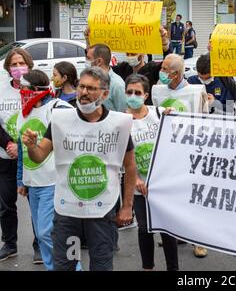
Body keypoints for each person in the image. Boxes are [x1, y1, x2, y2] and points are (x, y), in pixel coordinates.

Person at [22, 66, 137, 271]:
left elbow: (130, 166)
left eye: (91, 89)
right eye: (81, 87)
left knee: (101, 266)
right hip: (68, 212)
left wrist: (127, 206)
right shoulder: (60, 119)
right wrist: (31, 146)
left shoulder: (119, 124)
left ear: (105, 93)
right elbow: (39, 156)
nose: (84, 93)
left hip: (102, 212)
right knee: (66, 265)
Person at [151, 54, 209, 258]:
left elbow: (204, 123)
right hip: (168, 152)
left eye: (166, 69)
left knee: (194, 197)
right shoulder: (158, 91)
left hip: (190, 151)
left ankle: (199, 240)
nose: (162, 71)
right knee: (174, 196)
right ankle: (177, 233)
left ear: (176, 73)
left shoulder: (195, 92)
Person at [16, 70, 72, 271]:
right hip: (33, 184)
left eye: (23, 87)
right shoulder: (23, 113)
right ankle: (53, 267)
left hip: (52, 181)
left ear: (35, 90)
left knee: (47, 233)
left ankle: (73, 267)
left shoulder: (58, 108)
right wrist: (21, 180)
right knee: (42, 234)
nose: (20, 91)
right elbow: (23, 150)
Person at [125, 74, 179, 271]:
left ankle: (173, 268)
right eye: (129, 92)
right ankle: (148, 267)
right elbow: (121, 157)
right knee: (144, 228)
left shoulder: (160, 113)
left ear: (146, 94)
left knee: (167, 229)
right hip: (139, 186)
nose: (133, 95)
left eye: (137, 92)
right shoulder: (122, 121)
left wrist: (175, 115)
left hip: (162, 185)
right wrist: (136, 179)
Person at [0, 48, 42, 264]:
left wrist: (22, 145)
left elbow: (42, 118)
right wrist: (8, 143)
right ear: (8, 68)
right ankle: (9, 243)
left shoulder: (35, 87)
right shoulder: (1, 89)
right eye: (13, 64)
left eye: (21, 63)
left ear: (29, 64)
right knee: (6, 202)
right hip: (5, 156)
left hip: (32, 155)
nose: (18, 68)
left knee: (36, 202)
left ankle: (39, 244)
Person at [86, 44, 127, 113]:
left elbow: (123, 113)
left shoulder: (117, 85)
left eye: (88, 58)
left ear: (99, 61)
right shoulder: (90, 79)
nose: (86, 61)